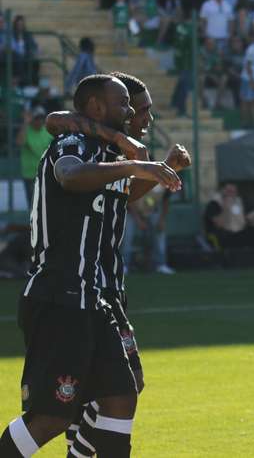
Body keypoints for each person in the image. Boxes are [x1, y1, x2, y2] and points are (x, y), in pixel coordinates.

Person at [0, 74, 180, 457]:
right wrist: (137, 167)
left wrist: (146, 168)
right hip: (59, 296)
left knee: (121, 394)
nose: (133, 113)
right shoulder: (73, 144)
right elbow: (68, 175)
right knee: (52, 416)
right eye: (126, 105)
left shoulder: (106, 155)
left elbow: (122, 192)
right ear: (97, 108)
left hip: (91, 298)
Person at [203, 183, 254, 252]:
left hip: (239, 234)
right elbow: (219, 224)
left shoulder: (241, 201)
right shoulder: (214, 204)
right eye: (228, 191)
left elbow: (253, 218)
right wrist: (226, 208)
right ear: (222, 191)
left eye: (233, 192)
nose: (231, 195)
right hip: (223, 236)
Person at [15, 107, 53, 206]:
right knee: (32, 204)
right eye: (37, 118)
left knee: (44, 203)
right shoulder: (26, 130)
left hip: (44, 173)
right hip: (29, 174)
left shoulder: (48, 132)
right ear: (32, 119)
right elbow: (19, 142)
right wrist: (26, 123)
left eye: (41, 118)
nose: (39, 121)